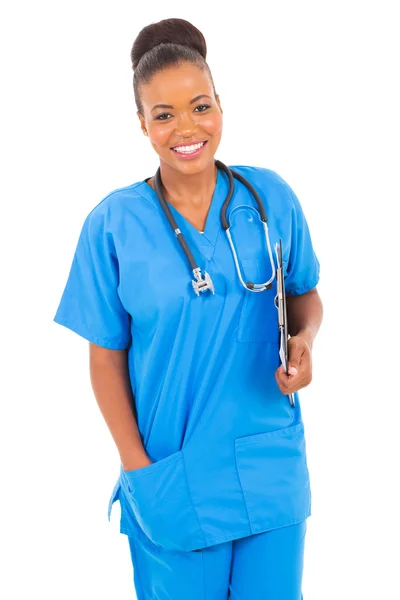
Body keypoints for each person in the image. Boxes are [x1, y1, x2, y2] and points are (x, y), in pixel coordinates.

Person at [53, 17, 323, 600]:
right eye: (164, 114)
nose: (186, 128)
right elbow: (105, 361)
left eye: (200, 106)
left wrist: (305, 342)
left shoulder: (270, 197)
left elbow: (304, 295)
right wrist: (140, 472)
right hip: (174, 473)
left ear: (220, 104)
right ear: (143, 125)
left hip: (269, 464)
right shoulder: (114, 225)